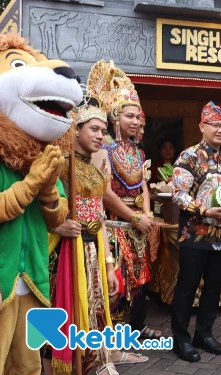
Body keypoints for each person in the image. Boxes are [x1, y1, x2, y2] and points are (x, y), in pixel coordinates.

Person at [42, 97, 148, 375]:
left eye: (103, 130)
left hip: (93, 251)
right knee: (59, 312)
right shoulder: (58, 166)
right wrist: (57, 227)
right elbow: (38, 210)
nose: (101, 136)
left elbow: (99, 219)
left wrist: (109, 265)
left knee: (95, 310)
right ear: (75, 129)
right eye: (94, 129)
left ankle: (96, 362)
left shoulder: (94, 171)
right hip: (62, 252)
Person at [0, 32, 74, 375]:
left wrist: (47, 189)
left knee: (28, 366)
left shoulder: (40, 156)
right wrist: (31, 184)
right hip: (1, 281)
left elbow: (56, 217)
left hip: (31, 279)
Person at [87, 60, 161, 341]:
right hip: (114, 225)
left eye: (138, 118)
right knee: (117, 279)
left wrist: (146, 212)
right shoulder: (103, 147)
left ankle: (137, 327)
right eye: (130, 116)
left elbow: (143, 184)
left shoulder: (138, 152)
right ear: (115, 117)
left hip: (137, 225)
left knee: (140, 281)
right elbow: (103, 191)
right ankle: (113, 336)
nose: (136, 122)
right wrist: (133, 217)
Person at [170, 101, 221, 362]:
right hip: (194, 234)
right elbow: (178, 194)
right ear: (202, 126)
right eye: (215, 125)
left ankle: (204, 334)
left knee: (214, 287)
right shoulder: (188, 157)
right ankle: (181, 339)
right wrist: (204, 211)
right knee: (187, 288)